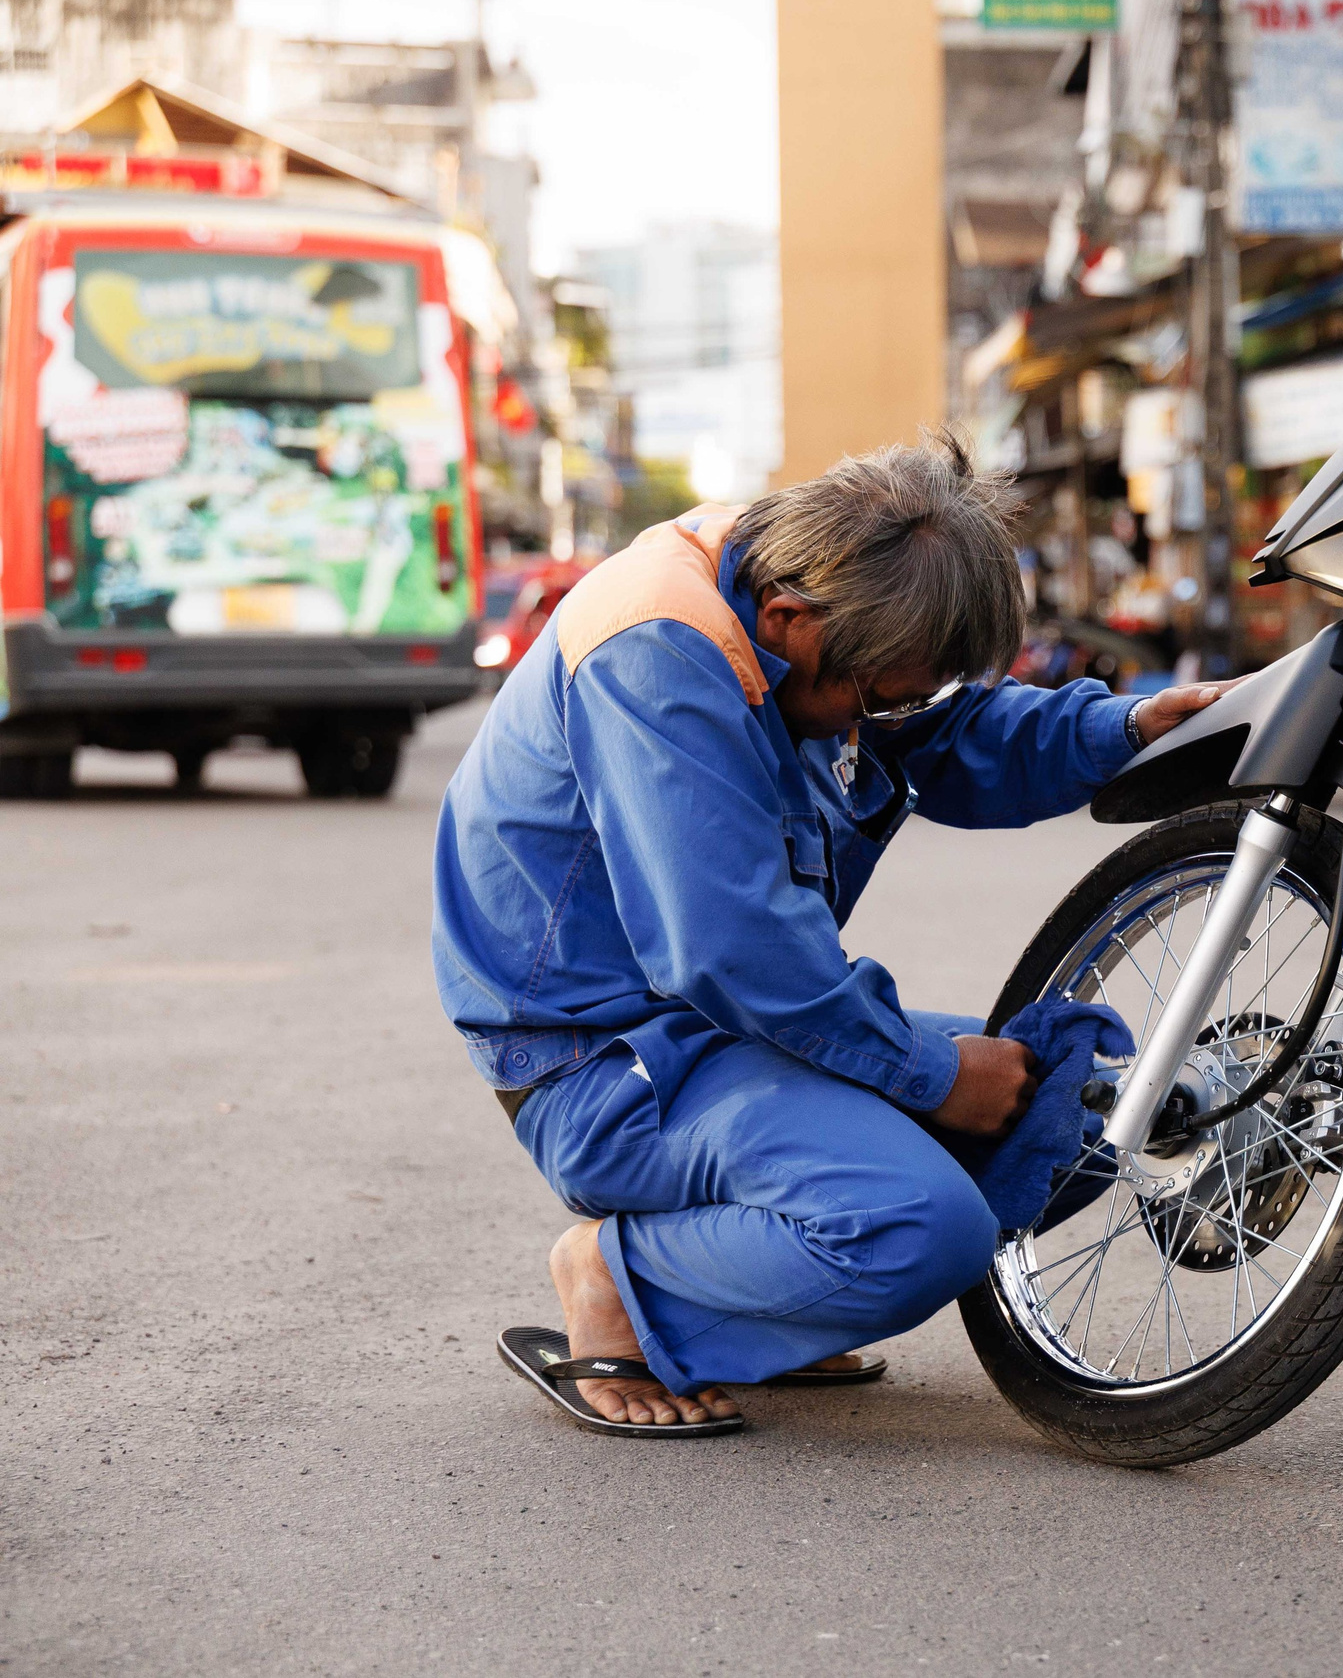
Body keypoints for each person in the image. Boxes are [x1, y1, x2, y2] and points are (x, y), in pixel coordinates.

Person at [432, 432, 1229, 1435]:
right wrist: (931, 1077)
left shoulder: (819, 607)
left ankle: (756, 1295)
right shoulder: (659, 654)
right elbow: (730, 946)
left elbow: (952, 737)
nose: (889, 713)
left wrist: (1131, 728)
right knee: (918, 1230)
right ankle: (619, 1285)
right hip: (609, 1068)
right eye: (881, 693)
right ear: (786, 620)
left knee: (1076, 1102)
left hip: (727, 1031)